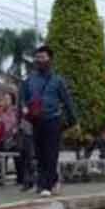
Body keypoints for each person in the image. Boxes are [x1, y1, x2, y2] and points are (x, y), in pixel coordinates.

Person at [20, 45, 77, 197]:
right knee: (39, 154)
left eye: (43, 57)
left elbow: (67, 101)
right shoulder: (29, 81)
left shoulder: (58, 81)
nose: (39, 60)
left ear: (50, 60)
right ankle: (47, 182)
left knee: (51, 153)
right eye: (37, 58)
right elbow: (23, 99)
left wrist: (73, 120)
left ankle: (47, 185)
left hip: (53, 119)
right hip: (36, 121)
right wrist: (24, 109)